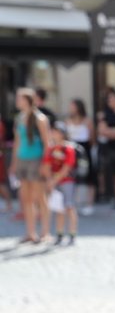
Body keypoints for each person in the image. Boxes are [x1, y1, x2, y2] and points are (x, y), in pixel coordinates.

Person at [10, 87, 52, 243]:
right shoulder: (19, 118)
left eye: (19, 98)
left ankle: (45, 232)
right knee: (26, 198)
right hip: (22, 160)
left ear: (27, 100)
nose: (17, 101)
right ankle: (30, 232)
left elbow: (48, 143)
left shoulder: (40, 118)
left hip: (36, 159)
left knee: (40, 197)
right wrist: (14, 163)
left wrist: (45, 164)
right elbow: (17, 142)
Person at [42, 122, 78, 245]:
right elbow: (46, 165)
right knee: (58, 208)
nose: (53, 134)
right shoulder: (51, 149)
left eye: (56, 131)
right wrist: (49, 180)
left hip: (67, 181)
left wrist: (53, 181)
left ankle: (72, 233)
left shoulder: (68, 148)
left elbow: (67, 168)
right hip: (54, 182)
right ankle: (59, 233)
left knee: (69, 206)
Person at [64, 98, 96, 216]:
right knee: (72, 176)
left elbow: (92, 138)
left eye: (73, 106)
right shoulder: (67, 121)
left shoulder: (87, 121)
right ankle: (72, 203)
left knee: (89, 177)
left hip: (84, 149)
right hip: (72, 149)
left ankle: (89, 204)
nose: (71, 108)